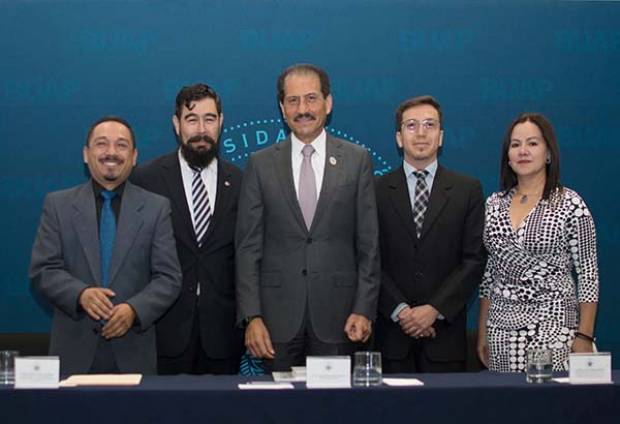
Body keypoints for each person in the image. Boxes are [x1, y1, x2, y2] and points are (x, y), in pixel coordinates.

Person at [235, 63, 380, 372]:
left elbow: (369, 244)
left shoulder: (357, 161)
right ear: (282, 108)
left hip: (340, 319)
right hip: (275, 322)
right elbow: (248, 248)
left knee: (333, 412)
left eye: (311, 98)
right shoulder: (260, 165)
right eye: (293, 100)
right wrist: (252, 316)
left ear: (328, 103)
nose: (303, 109)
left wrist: (364, 309)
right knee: (276, 413)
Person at [29, 117, 182, 375]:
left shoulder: (157, 208)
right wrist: (80, 294)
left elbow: (169, 277)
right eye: (102, 144)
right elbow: (42, 271)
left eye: (121, 145)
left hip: (133, 356)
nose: (111, 152)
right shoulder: (58, 205)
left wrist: (135, 310)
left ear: (134, 157)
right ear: (86, 155)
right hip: (72, 357)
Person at [131, 84, 244, 375]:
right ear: (176, 124)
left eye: (209, 119)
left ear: (221, 121)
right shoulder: (146, 179)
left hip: (223, 336)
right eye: (192, 119)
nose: (201, 129)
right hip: (163, 332)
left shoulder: (242, 181)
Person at [477, 112, 599, 372]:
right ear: (507, 157)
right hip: (500, 330)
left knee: (545, 407)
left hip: (552, 327)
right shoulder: (493, 204)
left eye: (532, 143)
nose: (523, 151)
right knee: (505, 407)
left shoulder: (570, 204)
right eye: (515, 144)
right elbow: (490, 274)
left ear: (548, 153)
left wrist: (585, 336)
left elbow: (588, 274)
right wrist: (482, 331)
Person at [375, 95, 486, 373]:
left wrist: (433, 310)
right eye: (411, 126)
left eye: (429, 125)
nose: (421, 133)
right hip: (391, 339)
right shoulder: (374, 190)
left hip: (445, 338)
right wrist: (401, 311)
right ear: (399, 137)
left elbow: (473, 261)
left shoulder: (467, 190)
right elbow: (367, 259)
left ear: (441, 136)